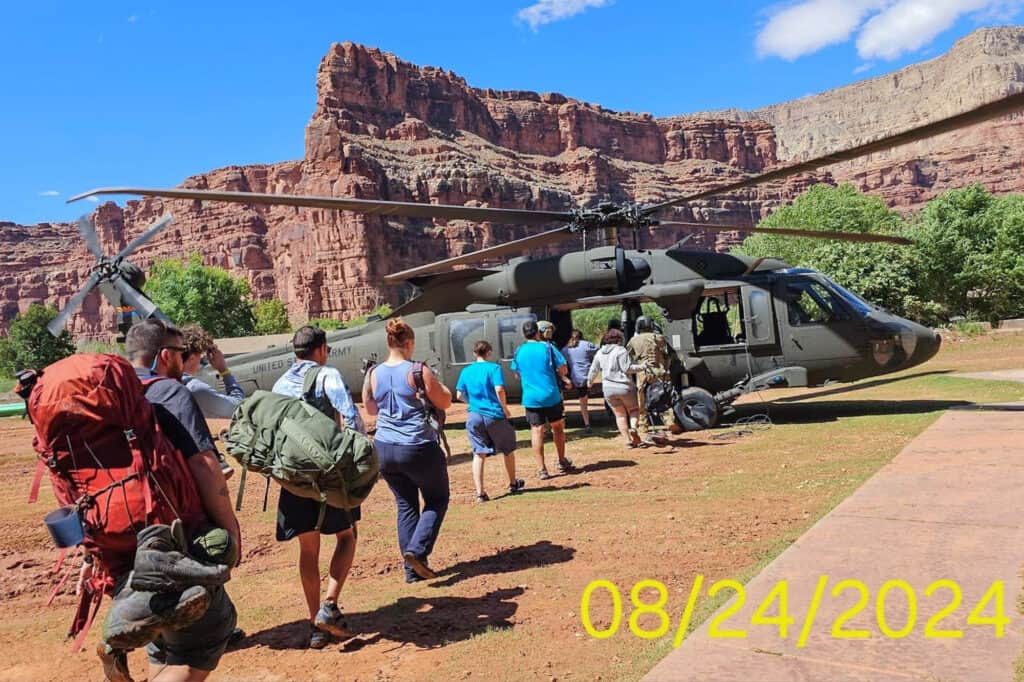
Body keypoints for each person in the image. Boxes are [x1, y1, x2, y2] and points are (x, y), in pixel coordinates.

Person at [124, 319, 240, 681]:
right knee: (208, 633)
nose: (183, 359)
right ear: (163, 356)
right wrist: (230, 529)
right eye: (179, 353)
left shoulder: (116, 394)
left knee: (163, 635)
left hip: (123, 536)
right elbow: (206, 466)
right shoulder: (170, 392)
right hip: (173, 536)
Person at [271, 325, 364, 649]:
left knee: (308, 550)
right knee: (346, 536)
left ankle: (316, 626)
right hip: (329, 476)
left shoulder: (280, 384)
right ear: (321, 349)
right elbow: (350, 417)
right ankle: (329, 604)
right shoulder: (328, 376)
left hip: (294, 477)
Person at [362, 318, 452, 583]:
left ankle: (412, 571)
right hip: (417, 446)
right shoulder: (417, 370)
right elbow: (444, 401)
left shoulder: (373, 373)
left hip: (385, 448)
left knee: (405, 505)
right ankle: (418, 551)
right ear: (409, 343)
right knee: (437, 499)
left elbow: (370, 410)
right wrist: (440, 388)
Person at [455, 340, 525, 502]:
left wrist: (471, 403)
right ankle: (513, 484)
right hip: (494, 414)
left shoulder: (466, 371)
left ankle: (480, 493)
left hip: (474, 416)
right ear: (489, 353)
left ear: (474, 353)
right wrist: (505, 409)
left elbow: (459, 395)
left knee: (479, 454)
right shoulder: (494, 368)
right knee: (508, 449)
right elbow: (499, 389)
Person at [510, 320, 575, 480]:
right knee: (558, 427)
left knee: (537, 430)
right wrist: (562, 377)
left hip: (531, 398)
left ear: (524, 334)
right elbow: (563, 368)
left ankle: (542, 469)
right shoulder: (547, 347)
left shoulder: (519, 351)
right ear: (538, 332)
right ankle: (561, 460)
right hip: (551, 395)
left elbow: (517, 375)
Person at [180, 324, 244, 480]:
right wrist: (223, 369)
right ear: (193, 357)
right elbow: (238, 406)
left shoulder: (163, 381)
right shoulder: (193, 388)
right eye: (200, 358)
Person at [587, 328, 644, 448]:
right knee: (633, 410)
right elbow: (627, 368)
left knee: (619, 415)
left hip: (608, 389)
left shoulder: (600, 352)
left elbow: (594, 369)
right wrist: (643, 367)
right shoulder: (621, 350)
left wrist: (589, 381)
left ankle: (628, 441)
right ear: (619, 340)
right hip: (624, 386)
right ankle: (633, 428)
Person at [626, 316, 675, 446]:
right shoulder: (659, 338)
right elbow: (669, 354)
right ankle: (669, 421)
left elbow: (628, 356)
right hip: (660, 371)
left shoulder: (633, 340)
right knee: (664, 396)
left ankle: (643, 425)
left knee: (641, 400)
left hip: (643, 373)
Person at [560, 329, 598, 432]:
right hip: (589, 376)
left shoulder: (565, 349)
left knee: (583, 401)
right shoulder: (588, 345)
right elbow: (599, 353)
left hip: (576, 378)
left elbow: (561, 361)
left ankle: (587, 424)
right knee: (584, 399)